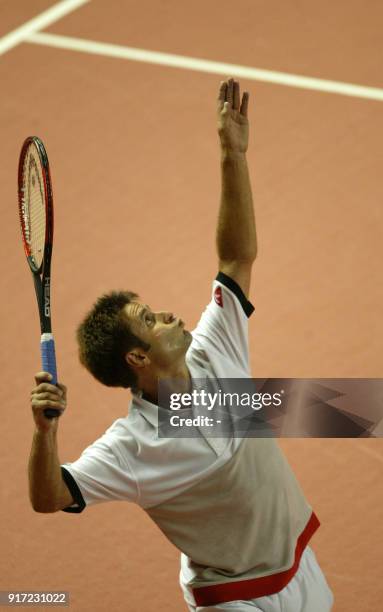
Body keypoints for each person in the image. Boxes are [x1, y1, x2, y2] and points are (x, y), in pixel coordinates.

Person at [29, 78, 334, 611]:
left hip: (300, 568)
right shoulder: (132, 448)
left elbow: (236, 258)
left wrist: (232, 153)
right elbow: (49, 496)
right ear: (138, 358)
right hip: (234, 598)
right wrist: (44, 434)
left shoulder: (216, 348)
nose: (168, 314)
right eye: (150, 319)